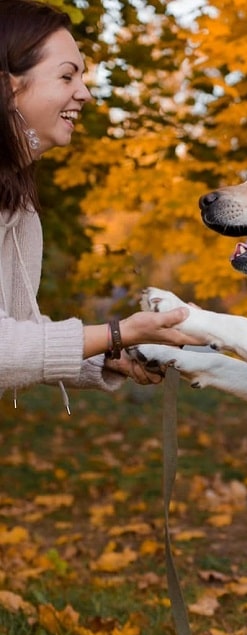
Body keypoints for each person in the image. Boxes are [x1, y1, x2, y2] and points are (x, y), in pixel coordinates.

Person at [0, 0, 204, 408]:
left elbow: (20, 331)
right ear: (9, 87)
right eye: (66, 76)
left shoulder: (18, 205)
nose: (85, 93)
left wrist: (110, 357)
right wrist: (118, 332)